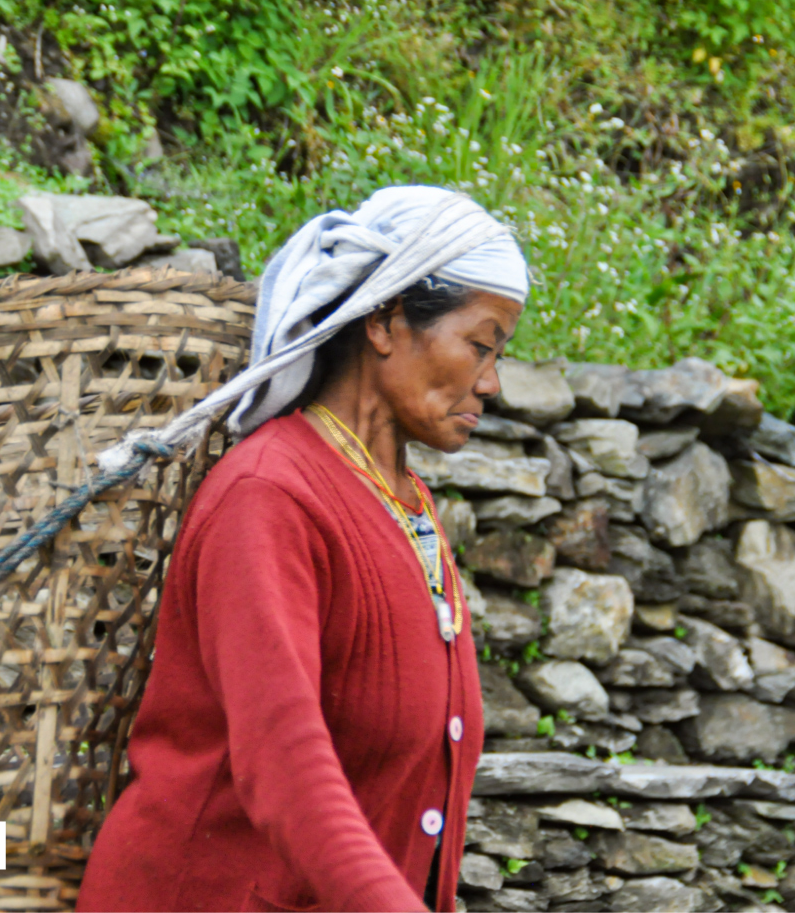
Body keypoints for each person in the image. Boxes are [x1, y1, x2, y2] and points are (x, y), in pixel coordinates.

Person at [78, 186, 527, 912]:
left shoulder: (404, 501)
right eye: (481, 344)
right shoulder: (270, 495)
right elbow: (282, 759)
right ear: (384, 321)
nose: (492, 381)